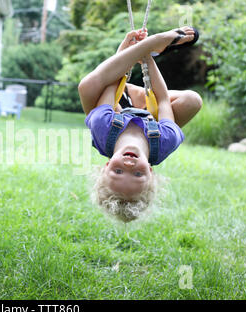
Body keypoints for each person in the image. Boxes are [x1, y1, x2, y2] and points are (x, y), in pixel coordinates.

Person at [78, 27, 202, 222]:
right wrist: (146, 57)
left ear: (106, 165)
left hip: (117, 102)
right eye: (137, 173)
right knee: (193, 100)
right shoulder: (164, 141)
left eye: (118, 171)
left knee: (86, 85)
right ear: (150, 173)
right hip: (149, 107)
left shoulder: (103, 129)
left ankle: (156, 41)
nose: (129, 164)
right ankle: (154, 43)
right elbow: (162, 100)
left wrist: (127, 51)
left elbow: (111, 83)